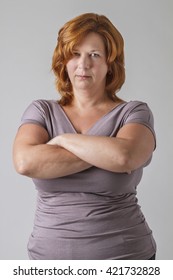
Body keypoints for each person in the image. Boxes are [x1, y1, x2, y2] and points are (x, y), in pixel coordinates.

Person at [13, 13, 156, 260]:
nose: (83, 64)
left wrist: (62, 141)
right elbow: (25, 162)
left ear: (110, 63)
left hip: (126, 259)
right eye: (75, 53)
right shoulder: (42, 111)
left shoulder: (134, 112)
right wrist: (104, 150)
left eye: (94, 55)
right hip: (48, 263)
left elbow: (125, 157)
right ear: (63, 60)